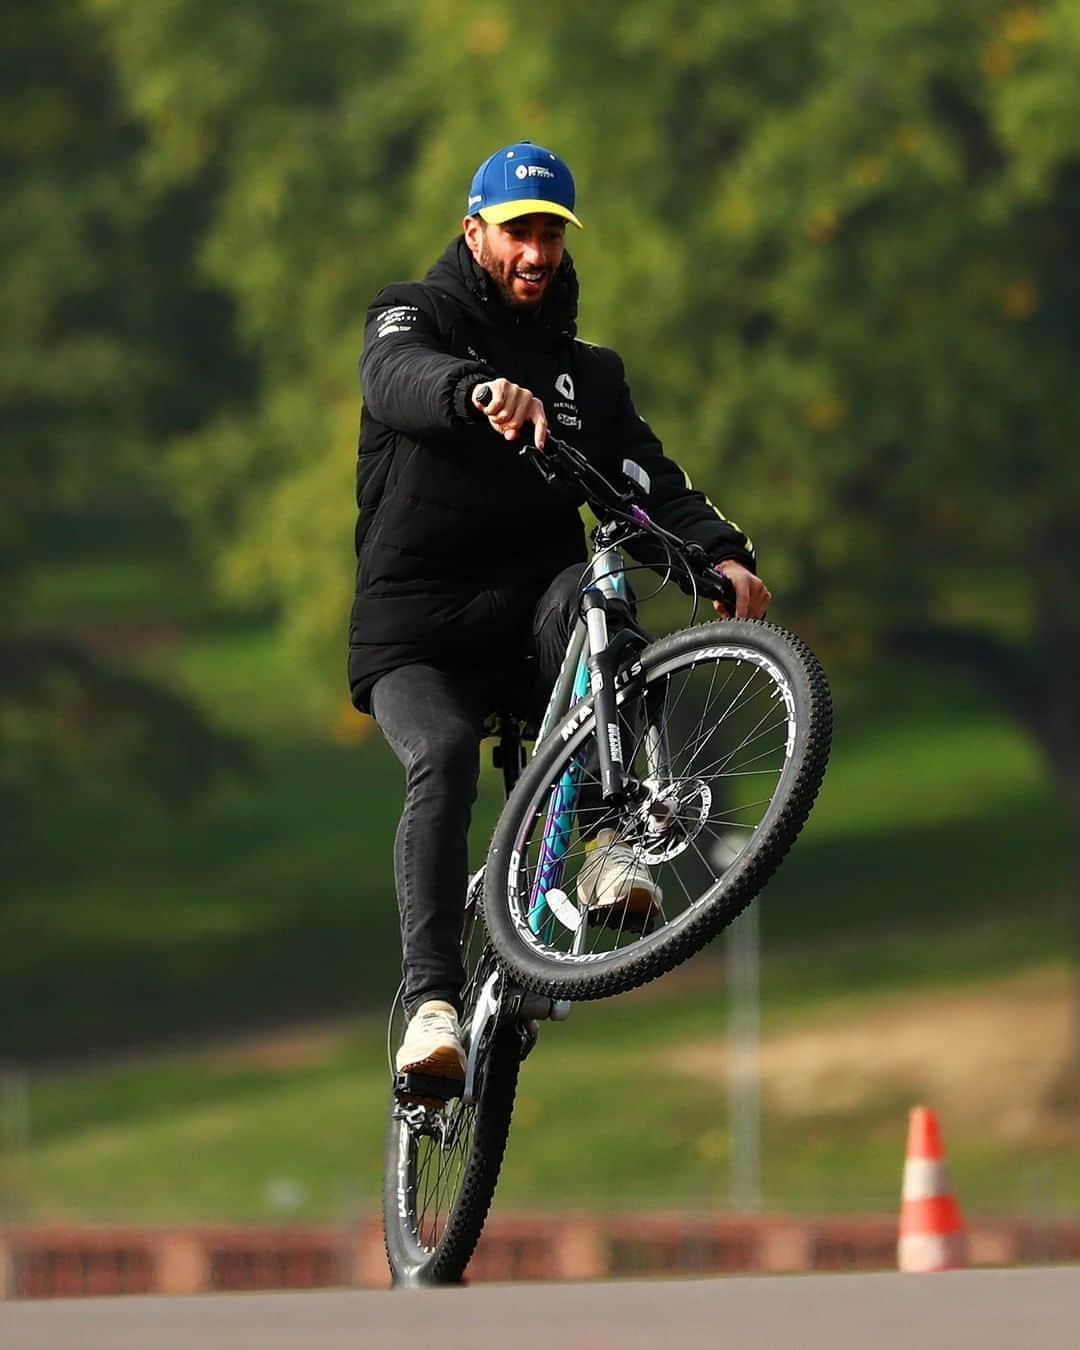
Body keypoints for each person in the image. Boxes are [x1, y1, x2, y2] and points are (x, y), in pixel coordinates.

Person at [350, 141, 770, 1083]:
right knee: (445, 755)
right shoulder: (411, 316)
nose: (535, 252)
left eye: (550, 233)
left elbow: (648, 482)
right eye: (517, 233)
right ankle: (430, 1005)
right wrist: (475, 391)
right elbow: (397, 378)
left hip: (530, 623)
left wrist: (721, 554)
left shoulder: (590, 376)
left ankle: (608, 844)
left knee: (602, 594)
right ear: (475, 232)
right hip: (416, 632)